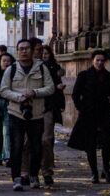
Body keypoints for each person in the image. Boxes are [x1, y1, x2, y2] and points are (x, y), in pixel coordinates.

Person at [0, 38, 55, 191]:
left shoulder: (42, 68)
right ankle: (16, 178)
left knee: (37, 147)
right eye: (21, 49)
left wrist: (34, 93)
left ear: (32, 51)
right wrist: (19, 97)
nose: (24, 51)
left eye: (26, 48)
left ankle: (33, 175)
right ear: (17, 52)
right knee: (17, 147)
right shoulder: (11, 69)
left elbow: (50, 88)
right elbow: (3, 90)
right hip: (16, 113)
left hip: (37, 114)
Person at [68, 49, 110, 184]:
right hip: (88, 112)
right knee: (90, 143)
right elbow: (75, 94)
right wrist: (81, 108)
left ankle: (106, 169)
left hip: (104, 112)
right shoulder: (84, 75)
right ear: (92, 60)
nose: (100, 63)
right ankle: (94, 172)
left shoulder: (109, 76)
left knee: (107, 142)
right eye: (97, 60)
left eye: (102, 60)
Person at [38, 45, 66, 187]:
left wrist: (60, 101)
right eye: (42, 53)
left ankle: (47, 170)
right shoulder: (35, 68)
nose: (44, 55)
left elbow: (58, 85)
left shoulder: (55, 67)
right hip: (34, 106)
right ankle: (29, 171)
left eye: (46, 53)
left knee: (47, 139)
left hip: (49, 106)